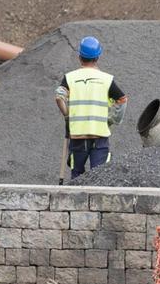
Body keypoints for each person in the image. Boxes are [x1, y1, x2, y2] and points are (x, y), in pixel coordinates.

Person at [54, 36, 128, 179]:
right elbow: (122, 99)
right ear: (98, 56)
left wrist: (67, 115)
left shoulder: (70, 78)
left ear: (80, 56)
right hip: (99, 136)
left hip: (78, 136)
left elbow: (59, 97)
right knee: (100, 177)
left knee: (77, 176)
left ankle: (75, 201)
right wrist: (113, 119)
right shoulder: (106, 79)